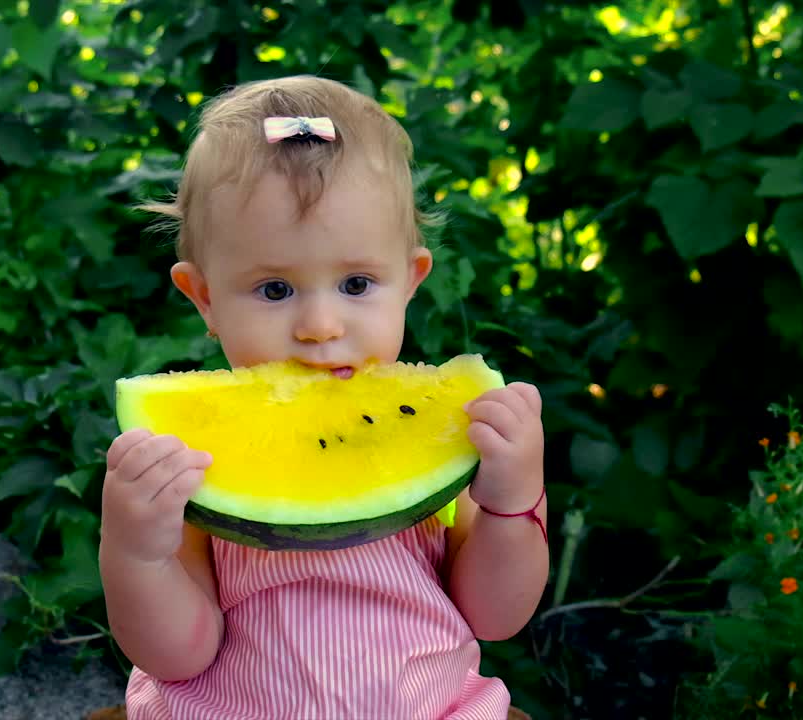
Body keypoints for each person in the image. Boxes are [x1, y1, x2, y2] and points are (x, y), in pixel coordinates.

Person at [98, 74, 548, 720]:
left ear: (411, 280)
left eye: (357, 283)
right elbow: (179, 654)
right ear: (204, 298)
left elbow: (496, 617)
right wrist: (137, 551)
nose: (321, 326)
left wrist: (512, 504)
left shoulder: (451, 440)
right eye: (275, 290)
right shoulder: (194, 462)